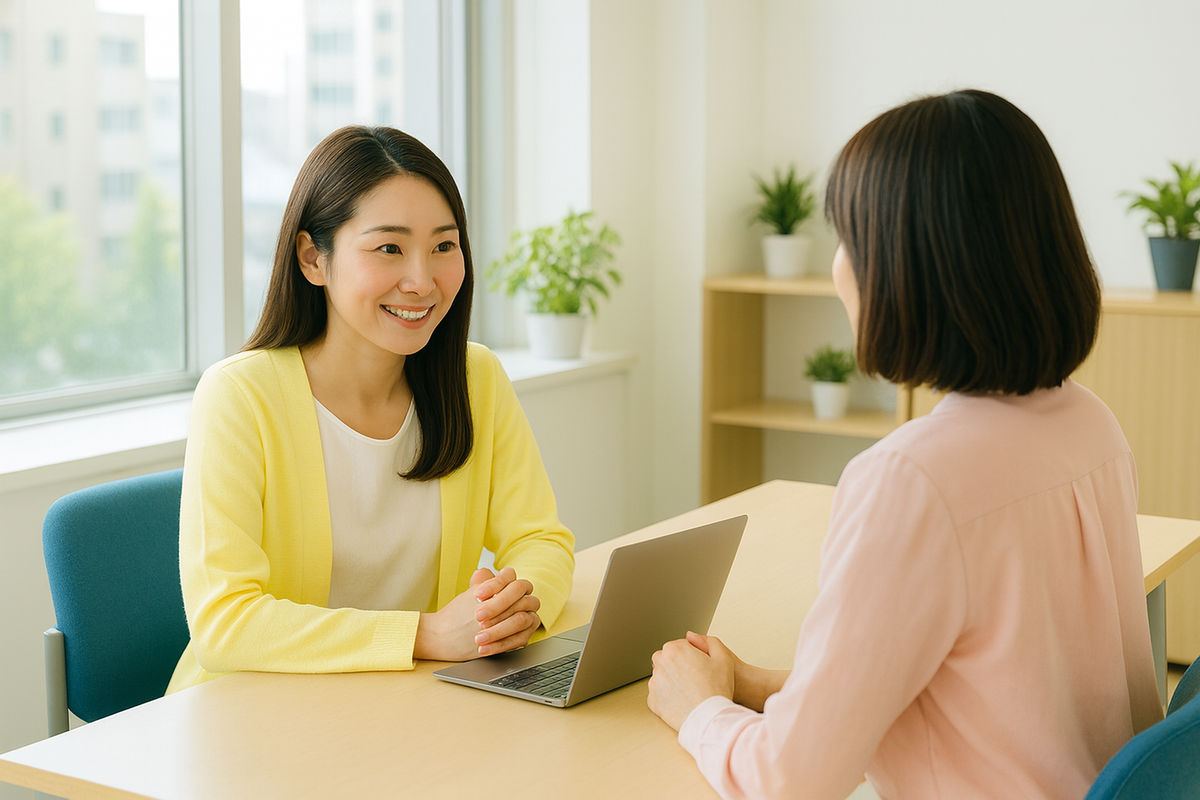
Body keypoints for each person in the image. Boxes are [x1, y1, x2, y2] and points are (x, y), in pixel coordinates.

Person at [647, 90, 1163, 799]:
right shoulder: (1091, 423)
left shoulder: (913, 477)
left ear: (907, 264)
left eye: (849, 240)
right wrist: (765, 688)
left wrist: (697, 710)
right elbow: (990, 681)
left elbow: (789, 782)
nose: (838, 268)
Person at [167, 126, 574, 692]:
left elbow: (542, 541)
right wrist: (423, 635)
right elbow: (225, 623)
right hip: (252, 718)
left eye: (444, 246)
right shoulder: (240, 396)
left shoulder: (474, 378)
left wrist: (505, 613)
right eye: (389, 248)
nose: (422, 280)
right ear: (313, 258)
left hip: (410, 703)